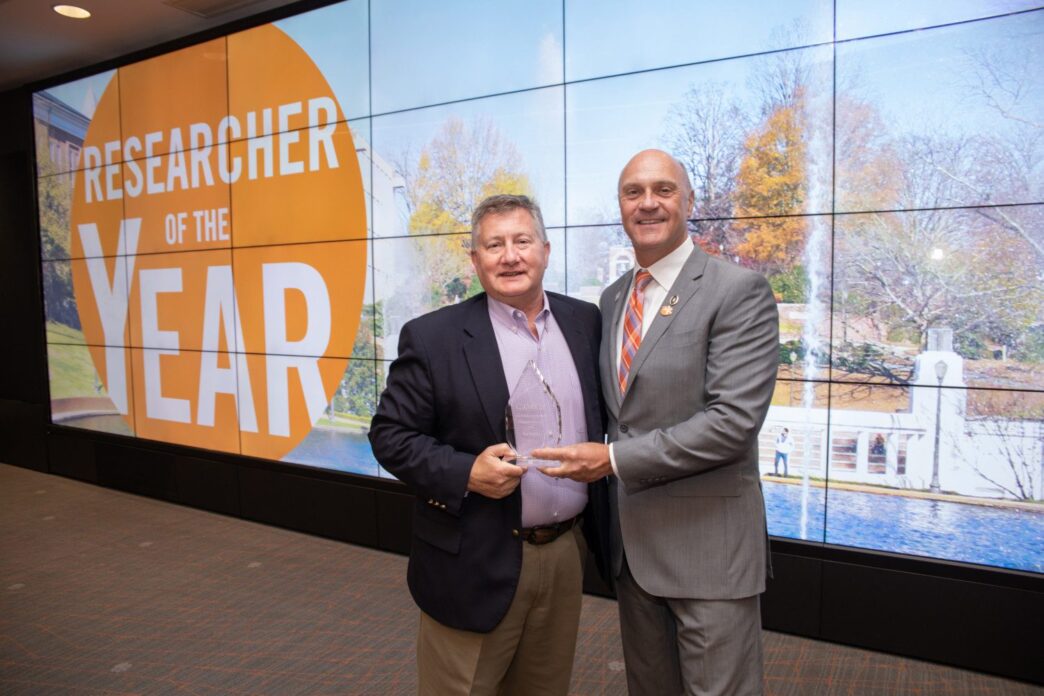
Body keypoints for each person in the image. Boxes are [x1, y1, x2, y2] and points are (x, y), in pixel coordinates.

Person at [534, 149, 779, 696]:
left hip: (708, 551)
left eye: (663, 190)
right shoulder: (615, 296)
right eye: (633, 192)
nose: (648, 203)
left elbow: (733, 422)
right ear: (621, 207)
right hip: (632, 551)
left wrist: (613, 461)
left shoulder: (737, 291)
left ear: (689, 201)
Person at [368, 194, 609, 696]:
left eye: (521, 241)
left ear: (545, 250)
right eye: (493, 245)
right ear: (474, 259)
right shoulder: (432, 338)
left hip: (565, 554)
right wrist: (464, 473)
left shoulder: (585, 322)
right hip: (474, 559)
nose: (510, 256)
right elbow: (390, 436)